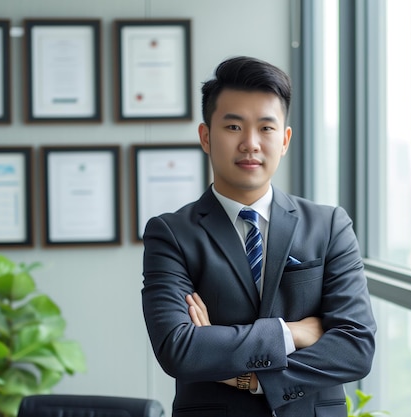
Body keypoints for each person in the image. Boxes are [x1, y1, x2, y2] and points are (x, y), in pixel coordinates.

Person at [141, 56, 376, 417]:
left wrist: (250, 378)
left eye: (266, 129)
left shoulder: (329, 225)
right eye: (233, 127)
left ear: (284, 140)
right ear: (206, 137)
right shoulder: (171, 234)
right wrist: (292, 333)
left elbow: (355, 348)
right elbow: (180, 349)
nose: (250, 143)